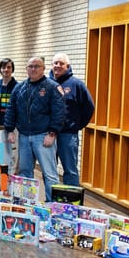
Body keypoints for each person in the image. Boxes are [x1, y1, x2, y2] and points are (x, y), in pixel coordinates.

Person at [4, 56, 65, 201]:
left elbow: (59, 112)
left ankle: (52, 205)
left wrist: (52, 133)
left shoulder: (52, 86)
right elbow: (11, 109)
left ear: (43, 68)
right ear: (26, 69)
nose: (33, 69)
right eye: (30, 66)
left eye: (36, 66)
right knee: (25, 172)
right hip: (24, 136)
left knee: (49, 174)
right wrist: (9, 129)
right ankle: (26, 202)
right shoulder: (20, 88)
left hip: (43, 136)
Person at [50, 53, 95, 186]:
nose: (57, 66)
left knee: (70, 170)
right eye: (55, 63)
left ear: (68, 66)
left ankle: (72, 204)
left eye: (61, 63)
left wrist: (76, 125)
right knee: (50, 169)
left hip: (68, 134)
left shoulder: (76, 84)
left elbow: (89, 107)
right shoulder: (47, 84)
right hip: (49, 134)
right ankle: (51, 200)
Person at [0, 58, 18, 128]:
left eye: (9, 67)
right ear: (0, 69)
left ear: (12, 69)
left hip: (12, 125)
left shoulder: (17, 87)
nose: (6, 69)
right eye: (3, 67)